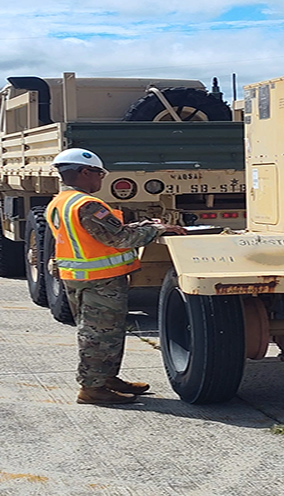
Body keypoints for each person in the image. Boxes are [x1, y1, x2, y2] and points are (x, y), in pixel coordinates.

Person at [46, 148, 186, 405]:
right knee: (98, 335)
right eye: (99, 174)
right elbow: (119, 238)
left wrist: (144, 226)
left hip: (81, 276)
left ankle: (106, 378)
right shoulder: (86, 204)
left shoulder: (60, 201)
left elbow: (106, 233)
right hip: (100, 281)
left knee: (104, 333)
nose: (101, 179)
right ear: (85, 172)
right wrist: (157, 231)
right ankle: (92, 389)